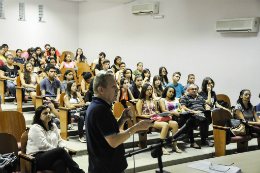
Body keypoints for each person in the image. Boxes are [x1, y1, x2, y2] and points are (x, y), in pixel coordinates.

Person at [85, 73, 153, 173]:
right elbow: (114, 141)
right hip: (107, 167)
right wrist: (137, 127)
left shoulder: (96, 106)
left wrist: (122, 119)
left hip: (104, 165)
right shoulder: (101, 110)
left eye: (117, 86)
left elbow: (108, 132)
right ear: (101, 90)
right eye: (113, 87)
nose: (117, 90)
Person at [26, 105, 85, 173]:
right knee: (60, 151)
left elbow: (60, 141)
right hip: (36, 158)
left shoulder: (53, 126)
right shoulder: (35, 128)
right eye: (45, 113)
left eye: (49, 112)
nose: (48, 114)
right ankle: (79, 172)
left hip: (50, 156)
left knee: (61, 163)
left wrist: (63, 147)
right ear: (39, 116)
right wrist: (58, 150)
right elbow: (43, 145)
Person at [136, 83, 179, 155]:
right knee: (165, 125)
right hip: (148, 121)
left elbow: (156, 111)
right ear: (144, 90)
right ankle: (161, 147)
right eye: (148, 89)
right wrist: (150, 115)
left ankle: (175, 146)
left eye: (151, 89)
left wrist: (158, 113)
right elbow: (139, 115)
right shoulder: (141, 101)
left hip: (155, 118)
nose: (150, 91)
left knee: (175, 124)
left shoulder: (152, 100)